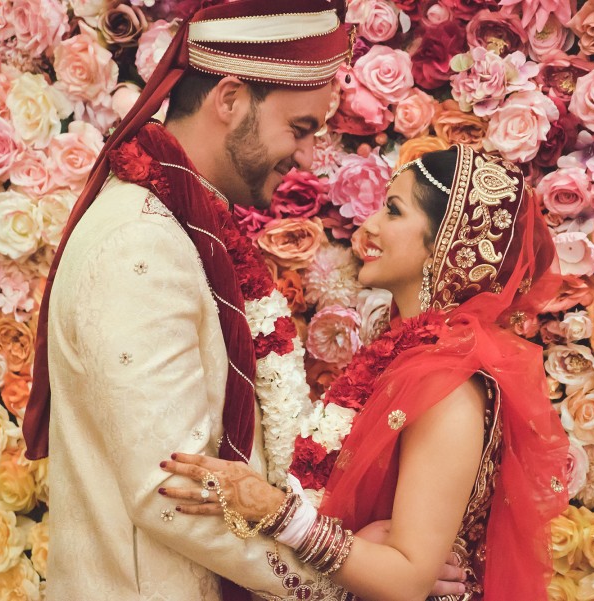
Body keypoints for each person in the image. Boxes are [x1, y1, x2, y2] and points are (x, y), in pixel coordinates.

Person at [20, 1, 365, 599]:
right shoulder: (143, 246)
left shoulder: (183, 223)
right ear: (229, 100)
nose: (308, 156)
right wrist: (346, 580)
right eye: (300, 128)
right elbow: (171, 494)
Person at [159, 145, 572, 601]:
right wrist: (354, 542)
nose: (370, 225)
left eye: (393, 211)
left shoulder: (448, 387)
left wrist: (276, 511)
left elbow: (407, 579)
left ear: (445, 243)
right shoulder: (399, 355)